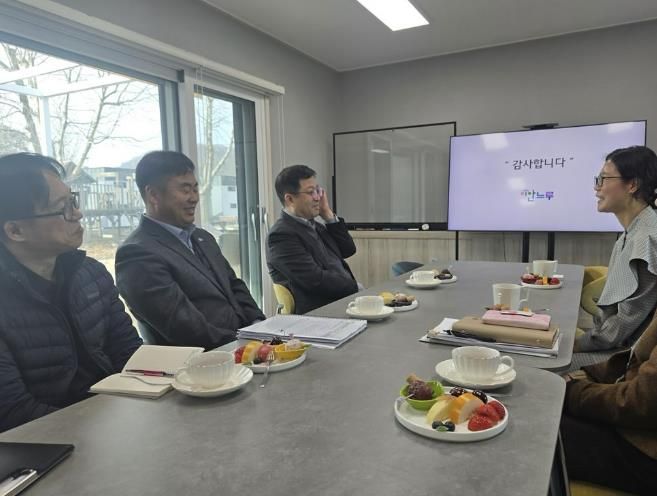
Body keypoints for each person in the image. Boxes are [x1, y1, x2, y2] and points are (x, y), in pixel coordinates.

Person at [0, 153, 142, 432]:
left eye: (73, 201)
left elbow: (129, 353)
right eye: (62, 208)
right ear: (15, 230)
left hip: (117, 418)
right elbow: (14, 412)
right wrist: (100, 433)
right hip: (47, 442)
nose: (77, 214)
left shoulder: (90, 273)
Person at [115, 151, 265, 349]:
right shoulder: (137, 254)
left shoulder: (203, 238)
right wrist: (246, 345)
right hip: (206, 359)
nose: (194, 198)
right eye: (185, 190)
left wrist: (260, 327)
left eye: (195, 189)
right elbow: (185, 329)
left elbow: (234, 286)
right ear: (153, 195)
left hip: (245, 348)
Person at [562, 308, 657, 494]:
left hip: (645, 454)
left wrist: (574, 392)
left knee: (540, 429)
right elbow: (636, 360)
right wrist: (592, 373)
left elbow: (642, 402)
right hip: (637, 421)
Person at [575, 146, 657, 352]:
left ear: (632, 185)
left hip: (628, 356)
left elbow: (622, 326)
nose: (597, 187)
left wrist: (575, 345)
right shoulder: (636, 229)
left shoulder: (646, 239)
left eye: (603, 179)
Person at [267, 164, 358, 314]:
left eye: (317, 191)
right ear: (290, 199)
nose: (317, 198)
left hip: (342, 300)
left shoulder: (315, 225)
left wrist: (328, 215)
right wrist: (355, 287)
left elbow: (348, 250)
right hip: (319, 311)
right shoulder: (281, 236)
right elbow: (315, 280)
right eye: (310, 192)